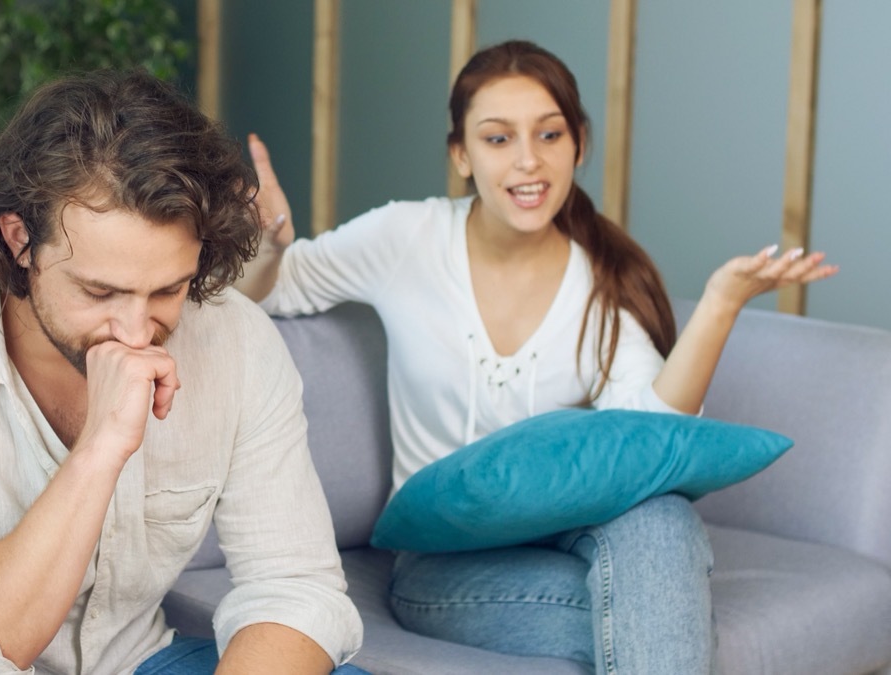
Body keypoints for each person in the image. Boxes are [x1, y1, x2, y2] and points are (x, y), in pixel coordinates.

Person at [236, 40, 837, 674]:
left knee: (661, 518)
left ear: (578, 143)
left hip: (564, 534)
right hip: (442, 566)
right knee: (662, 624)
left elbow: (651, 432)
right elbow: (273, 294)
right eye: (498, 140)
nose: (529, 161)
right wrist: (271, 248)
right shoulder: (404, 237)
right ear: (461, 155)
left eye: (549, 135)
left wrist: (722, 301)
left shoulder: (604, 282)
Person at [0, 70, 366, 675]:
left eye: (167, 290)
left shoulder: (236, 341)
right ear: (19, 240)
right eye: (99, 292)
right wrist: (100, 449)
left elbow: (295, 586)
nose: (135, 331)